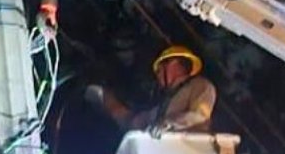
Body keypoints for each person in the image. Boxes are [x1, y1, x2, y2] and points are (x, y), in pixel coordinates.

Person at [88, 46, 216, 136]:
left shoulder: (200, 85)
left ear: (173, 64)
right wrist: (106, 98)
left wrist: (168, 125)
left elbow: (199, 117)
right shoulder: (165, 103)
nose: (157, 76)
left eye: (159, 70)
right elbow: (136, 121)